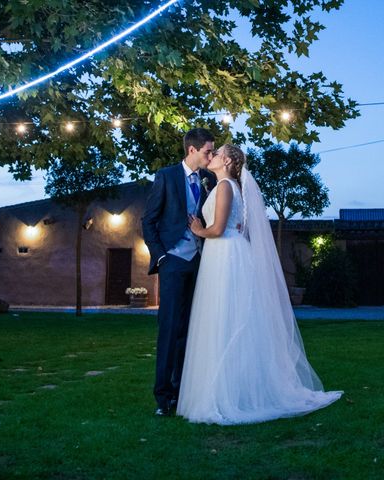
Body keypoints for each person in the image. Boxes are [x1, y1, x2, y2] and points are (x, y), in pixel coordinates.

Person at [178, 144, 342, 425]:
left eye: (217, 154)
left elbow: (217, 229)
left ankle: (229, 393)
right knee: (225, 318)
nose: (212, 156)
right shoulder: (227, 186)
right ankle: (230, 389)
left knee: (226, 318)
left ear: (227, 161)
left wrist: (197, 230)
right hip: (224, 253)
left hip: (225, 253)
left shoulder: (226, 187)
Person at [141, 128, 217, 416]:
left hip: (200, 263)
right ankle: (163, 398)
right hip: (173, 261)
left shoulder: (210, 180)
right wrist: (161, 257)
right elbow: (148, 221)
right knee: (170, 329)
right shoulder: (166, 176)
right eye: (208, 151)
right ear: (192, 151)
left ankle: (184, 391)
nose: (211, 156)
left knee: (192, 329)